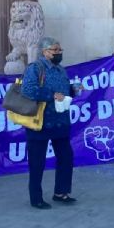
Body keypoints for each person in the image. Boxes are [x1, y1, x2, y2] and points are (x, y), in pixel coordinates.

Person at [22, 37, 80, 209]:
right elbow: (28, 90)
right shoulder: (35, 68)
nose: (59, 52)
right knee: (37, 161)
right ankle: (36, 198)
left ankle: (61, 192)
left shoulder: (61, 70)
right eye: (55, 50)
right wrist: (52, 95)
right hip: (39, 122)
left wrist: (73, 90)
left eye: (60, 49)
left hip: (60, 122)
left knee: (66, 157)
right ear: (45, 52)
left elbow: (63, 91)